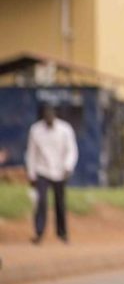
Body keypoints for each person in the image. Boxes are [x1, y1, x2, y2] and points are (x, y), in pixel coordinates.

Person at [25, 103, 78, 244]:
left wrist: (68, 166)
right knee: (41, 201)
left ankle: (62, 233)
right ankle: (39, 232)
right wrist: (31, 174)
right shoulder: (35, 130)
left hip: (60, 171)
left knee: (60, 203)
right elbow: (31, 153)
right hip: (42, 170)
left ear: (54, 115)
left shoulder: (65, 130)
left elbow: (71, 150)